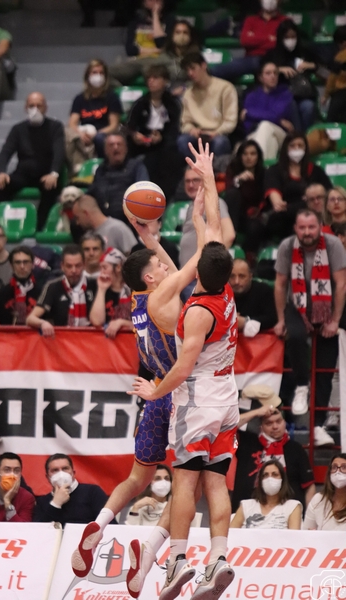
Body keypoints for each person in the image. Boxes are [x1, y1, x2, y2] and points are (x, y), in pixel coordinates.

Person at [71, 140, 217, 598]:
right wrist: (201, 211)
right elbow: (198, 261)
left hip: (154, 393)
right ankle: (153, 548)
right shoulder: (163, 297)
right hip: (180, 392)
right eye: (158, 265)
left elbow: (164, 268)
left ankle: (99, 524)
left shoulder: (138, 298)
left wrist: (149, 239)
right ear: (153, 278)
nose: (164, 266)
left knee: (137, 478)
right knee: (189, 486)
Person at [131, 143, 239, 600]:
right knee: (217, 483)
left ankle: (177, 561)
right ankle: (219, 559)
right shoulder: (225, 289)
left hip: (197, 399)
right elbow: (212, 235)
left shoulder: (186, 309)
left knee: (184, 482)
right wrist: (208, 181)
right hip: (228, 395)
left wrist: (154, 394)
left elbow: (180, 368)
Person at [273, 209, 346, 446]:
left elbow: (341, 284)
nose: (307, 232)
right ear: (296, 228)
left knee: (326, 367)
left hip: (327, 309)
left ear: (320, 227)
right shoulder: (287, 246)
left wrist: (335, 320)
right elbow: (280, 284)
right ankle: (302, 386)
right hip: (297, 306)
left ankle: (318, 426)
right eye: (302, 228)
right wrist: (281, 319)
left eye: (311, 227)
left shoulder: (334, 245)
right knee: (294, 336)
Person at [0, 92, 65, 230]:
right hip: (23, 173)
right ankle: (9, 222)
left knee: (51, 187)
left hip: (46, 173)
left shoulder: (55, 127)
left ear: (45, 108)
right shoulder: (18, 129)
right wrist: (1, 172)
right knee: (1, 185)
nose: (35, 109)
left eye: (39, 106)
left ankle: (39, 226)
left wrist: (54, 173)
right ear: (26, 108)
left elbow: (59, 152)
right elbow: (5, 152)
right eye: (32, 106)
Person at [232, 407, 316, 514]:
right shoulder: (247, 443)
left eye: (278, 421)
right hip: (248, 511)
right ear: (261, 426)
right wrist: (256, 412)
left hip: (287, 513)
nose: (275, 427)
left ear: (284, 422)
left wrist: (309, 517)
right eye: (269, 423)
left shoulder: (296, 449)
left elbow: (309, 486)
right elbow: (228, 426)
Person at [127, 63, 182, 200]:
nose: (151, 81)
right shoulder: (140, 103)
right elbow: (130, 127)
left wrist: (162, 137)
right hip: (142, 146)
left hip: (165, 145)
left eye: (155, 78)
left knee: (170, 155)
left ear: (165, 81)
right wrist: (135, 136)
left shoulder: (172, 103)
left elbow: (175, 128)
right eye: (149, 78)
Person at [264, 132, 332, 241]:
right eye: (292, 146)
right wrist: (306, 202)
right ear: (286, 148)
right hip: (286, 218)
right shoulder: (274, 171)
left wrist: (311, 201)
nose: (296, 149)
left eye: (300, 146)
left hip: (315, 214)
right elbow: (278, 204)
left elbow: (329, 195)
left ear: (306, 148)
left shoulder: (316, 171)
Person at [178, 52, 238, 159]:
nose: (190, 73)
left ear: (203, 65)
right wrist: (192, 129)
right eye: (187, 70)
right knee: (182, 140)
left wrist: (216, 132)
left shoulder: (225, 88)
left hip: (219, 133)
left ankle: (214, 169)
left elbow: (230, 121)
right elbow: (185, 122)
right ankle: (195, 168)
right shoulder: (188, 93)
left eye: (193, 68)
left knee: (220, 142)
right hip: (198, 134)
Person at [209, 0, 287, 81]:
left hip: (274, 59)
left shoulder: (285, 21)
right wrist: (269, 38)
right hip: (251, 59)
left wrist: (255, 37)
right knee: (216, 71)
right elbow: (244, 41)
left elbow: (279, 44)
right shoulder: (250, 20)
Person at [66, 59, 122, 170]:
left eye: (101, 73)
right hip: (85, 133)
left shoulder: (112, 97)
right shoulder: (80, 99)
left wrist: (96, 134)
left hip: (104, 134)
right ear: (88, 76)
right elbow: (72, 124)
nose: (98, 76)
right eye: (95, 73)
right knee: (67, 134)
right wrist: (80, 134)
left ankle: (105, 168)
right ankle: (76, 170)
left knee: (99, 138)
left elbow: (114, 125)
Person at [26, 244, 93, 336]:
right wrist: (43, 323)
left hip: (90, 341)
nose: (73, 270)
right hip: (62, 341)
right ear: (62, 266)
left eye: (78, 266)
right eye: (69, 266)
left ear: (84, 265)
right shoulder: (53, 286)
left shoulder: (95, 284)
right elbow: (30, 319)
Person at [264, 19, 318, 131]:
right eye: (287, 37)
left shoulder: (304, 52)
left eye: (293, 37)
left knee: (309, 106)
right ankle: (298, 136)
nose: (290, 40)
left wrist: (311, 65)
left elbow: (323, 67)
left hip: (302, 94)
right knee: (290, 103)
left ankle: (307, 136)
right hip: (281, 95)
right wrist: (278, 69)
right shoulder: (272, 54)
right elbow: (262, 71)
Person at [179, 165, 235, 269]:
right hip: (189, 273)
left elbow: (229, 234)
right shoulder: (192, 206)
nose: (191, 185)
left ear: (205, 181)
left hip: (202, 273)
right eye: (187, 181)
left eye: (195, 180)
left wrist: (210, 263)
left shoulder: (213, 202)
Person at [108, 0, 175, 85]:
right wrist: (156, 50)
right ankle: (123, 91)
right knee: (106, 72)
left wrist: (155, 16)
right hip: (138, 60)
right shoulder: (135, 22)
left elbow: (161, 43)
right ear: (144, 3)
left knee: (150, 71)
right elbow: (130, 50)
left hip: (158, 61)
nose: (155, 1)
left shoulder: (170, 21)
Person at [87, 132, 149, 223]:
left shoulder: (136, 166)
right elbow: (91, 193)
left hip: (129, 220)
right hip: (102, 221)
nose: (116, 147)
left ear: (126, 149)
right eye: (111, 145)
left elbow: (144, 191)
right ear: (105, 150)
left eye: (119, 144)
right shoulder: (101, 170)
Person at [33, 453, 110, 527]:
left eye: (65, 469)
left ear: (73, 473)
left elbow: (109, 525)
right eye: (55, 470)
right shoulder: (42, 502)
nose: (61, 474)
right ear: (47, 477)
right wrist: (55, 504)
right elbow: (38, 531)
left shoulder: (92, 492)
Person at [242, 61, 294, 161]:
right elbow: (247, 125)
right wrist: (278, 120)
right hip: (256, 134)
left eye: (275, 73)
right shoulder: (251, 96)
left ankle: (257, 166)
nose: (273, 76)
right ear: (260, 77)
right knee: (270, 140)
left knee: (265, 126)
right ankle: (266, 168)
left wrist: (249, 113)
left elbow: (276, 115)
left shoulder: (285, 94)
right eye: (268, 73)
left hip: (281, 134)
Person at [231, 459, 302, 529]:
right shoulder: (246, 506)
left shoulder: (292, 506)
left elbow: (293, 535)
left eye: (275, 474)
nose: (270, 478)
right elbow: (230, 533)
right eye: (265, 475)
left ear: (282, 480)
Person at [224, 140, 267, 254]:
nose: (249, 157)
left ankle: (246, 256)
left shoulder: (263, 173)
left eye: (252, 154)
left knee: (256, 226)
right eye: (245, 154)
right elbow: (228, 193)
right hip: (234, 216)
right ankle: (229, 236)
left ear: (258, 156)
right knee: (233, 193)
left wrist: (258, 210)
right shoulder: (232, 169)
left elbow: (264, 197)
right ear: (240, 156)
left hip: (253, 216)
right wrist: (238, 181)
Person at [71, 193, 137, 253]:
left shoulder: (118, 228)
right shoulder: (88, 235)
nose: (77, 223)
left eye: (77, 217)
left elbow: (135, 256)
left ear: (86, 213)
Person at [89, 247, 132, 338]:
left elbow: (145, 324)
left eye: (104, 267)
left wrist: (121, 323)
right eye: (100, 268)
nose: (102, 272)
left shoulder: (134, 289)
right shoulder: (97, 287)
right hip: (107, 343)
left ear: (118, 267)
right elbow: (97, 322)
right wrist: (101, 289)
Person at [229, 258, 276, 336]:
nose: (236, 281)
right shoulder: (221, 294)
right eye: (232, 276)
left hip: (259, 340)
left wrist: (246, 321)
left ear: (250, 276)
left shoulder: (263, 291)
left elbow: (272, 319)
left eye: (242, 276)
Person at [0, 246, 43, 326]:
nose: (22, 266)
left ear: (33, 264)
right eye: (17, 262)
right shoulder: (1, 294)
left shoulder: (43, 292)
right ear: (11, 266)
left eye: (26, 262)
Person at [304, 453, 346, 531]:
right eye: (334, 467)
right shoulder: (318, 500)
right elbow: (306, 531)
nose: (338, 471)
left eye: (344, 467)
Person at [322, 26, 346, 123]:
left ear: (343, 43)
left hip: (341, 94)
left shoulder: (340, 57)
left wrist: (325, 95)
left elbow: (332, 77)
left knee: (331, 122)